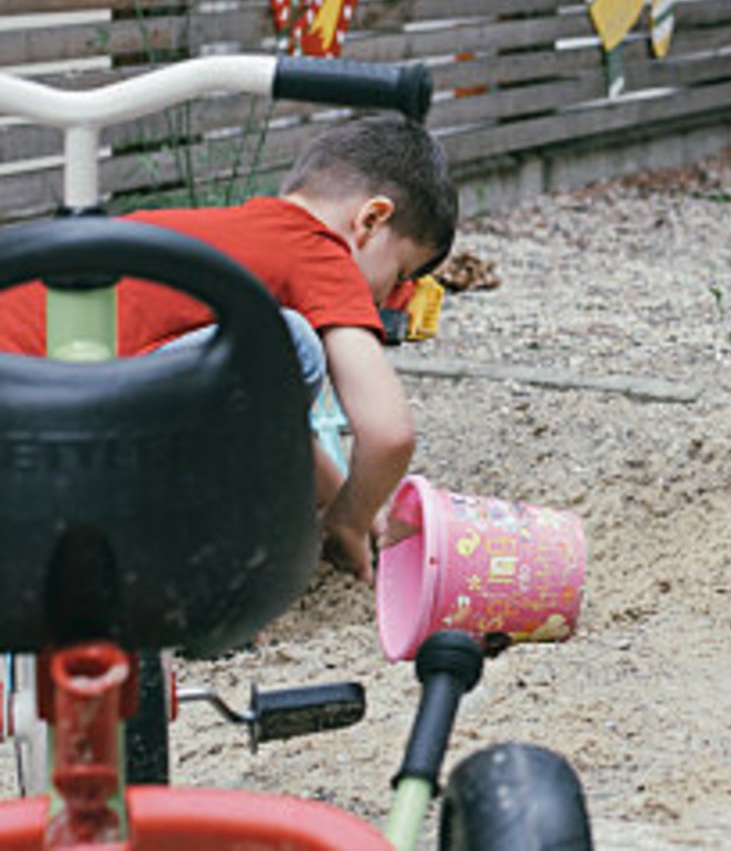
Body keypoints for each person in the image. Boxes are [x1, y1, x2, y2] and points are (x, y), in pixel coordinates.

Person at [0, 113, 456, 583]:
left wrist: (339, 498)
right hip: (46, 430)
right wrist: (348, 522)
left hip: (27, 416)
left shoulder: (238, 237)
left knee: (256, 357)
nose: (384, 301)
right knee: (288, 341)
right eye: (399, 275)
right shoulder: (319, 252)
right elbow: (389, 433)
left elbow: (278, 430)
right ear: (371, 219)